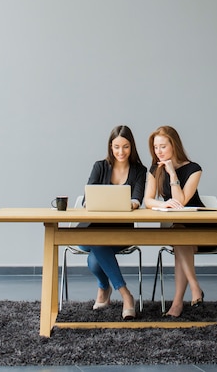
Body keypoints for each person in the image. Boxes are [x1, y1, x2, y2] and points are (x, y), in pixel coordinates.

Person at [144, 125, 217, 317]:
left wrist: (173, 174)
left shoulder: (194, 169)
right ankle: (192, 292)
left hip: (204, 228)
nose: (158, 152)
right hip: (180, 229)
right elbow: (147, 201)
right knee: (179, 235)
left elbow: (182, 201)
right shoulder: (154, 169)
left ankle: (180, 301)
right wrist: (164, 204)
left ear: (174, 146)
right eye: (155, 147)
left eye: (162, 147)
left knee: (179, 236)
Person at [80, 125, 146, 320]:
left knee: (93, 258)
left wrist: (131, 204)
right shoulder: (99, 166)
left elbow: (137, 199)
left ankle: (105, 288)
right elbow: (87, 198)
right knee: (95, 241)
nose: (121, 152)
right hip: (91, 228)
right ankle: (126, 294)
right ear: (110, 146)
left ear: (132, 147)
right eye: (116, 147)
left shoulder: (139, 171)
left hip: (121, 231)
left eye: (125, 147)